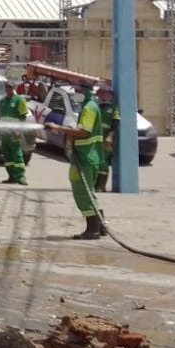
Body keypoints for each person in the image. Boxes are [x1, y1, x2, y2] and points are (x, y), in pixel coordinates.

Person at [45, 84, 107, 240]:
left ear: (83, 92)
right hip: (86, 157)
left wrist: (58, 128)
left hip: (85, 158)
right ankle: (99, 226)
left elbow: (83, 132)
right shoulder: (90, 106)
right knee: (89, 193)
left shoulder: (89, 108)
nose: (75, 94)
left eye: (76, 91)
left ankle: (92, 230)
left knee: (83, 193)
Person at [0, 80, 29, 185]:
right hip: (5, 133)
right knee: (7, 156)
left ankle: (21, 177)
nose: (8, 89)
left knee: (17, 154)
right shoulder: (2, 101)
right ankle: (11, 176)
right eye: (6, 87)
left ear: (14, 88)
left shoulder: (19, 100)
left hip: (14, 133)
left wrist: (19, 130)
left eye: (10, 87)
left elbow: (23, 117)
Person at [95, 82, 119, 193]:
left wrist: (110, 136)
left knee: (103, 163)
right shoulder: (97, 106)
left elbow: (115, 123)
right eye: (101, 93)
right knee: (96, 162)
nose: (102, 95)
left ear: (110, 94)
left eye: (105, 93)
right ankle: (95, 184)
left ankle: (101, 186)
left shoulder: (114, 108)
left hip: (106, 140)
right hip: (96, 139)